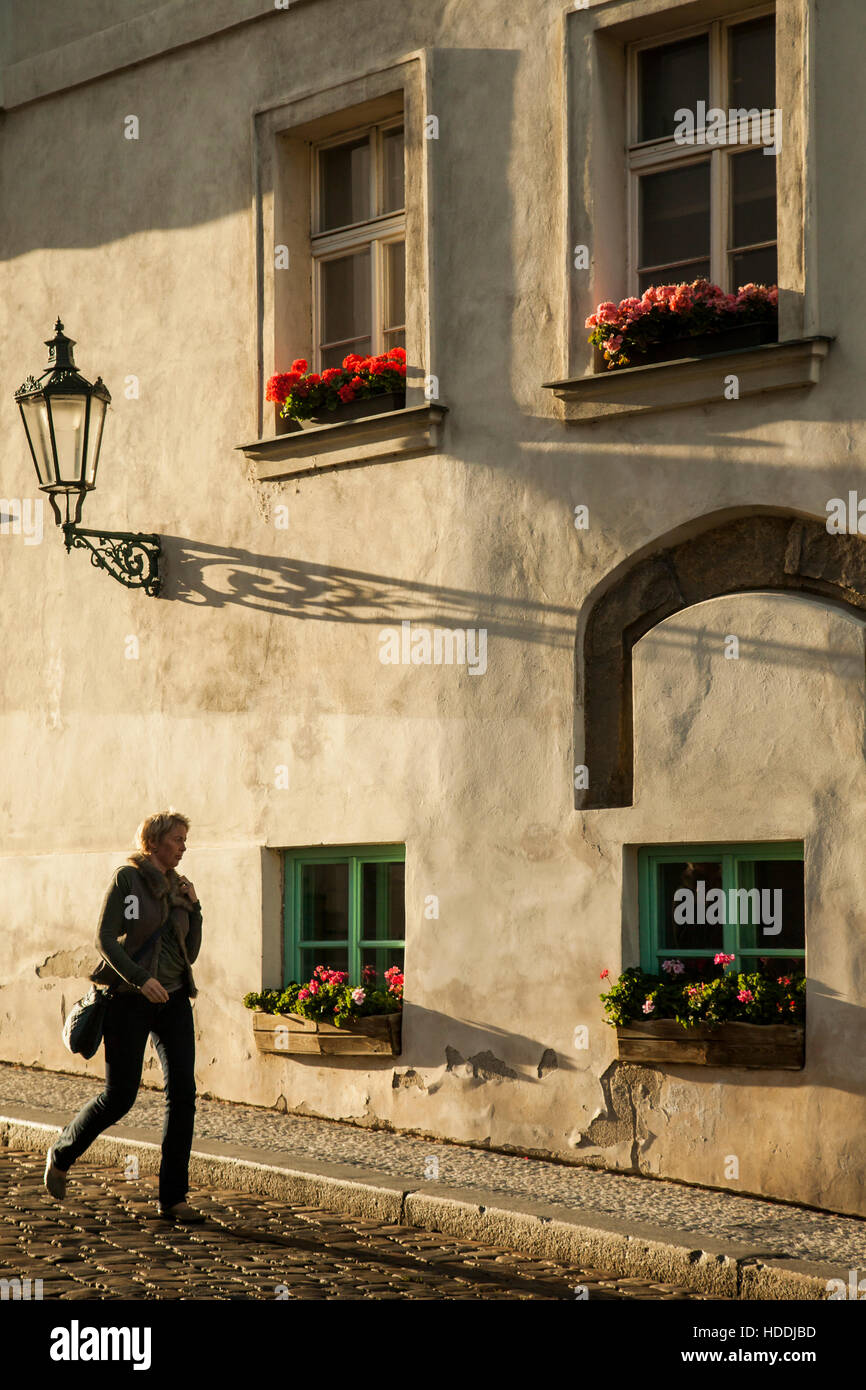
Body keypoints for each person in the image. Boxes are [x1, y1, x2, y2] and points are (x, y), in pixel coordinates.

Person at [44, 811, 204, 1223]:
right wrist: (139, 979)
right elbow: (104, 940)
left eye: (186, 839)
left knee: (183, 1095)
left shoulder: (179, 887)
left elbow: (190, 951)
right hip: (128, 1001)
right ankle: (63, 1153)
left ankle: (173, 1198)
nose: (184, 846)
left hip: (174, 1001)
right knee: (121, 1097)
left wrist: (196, 909)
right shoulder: (127, 881)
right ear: (153, 842)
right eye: (177, 839)